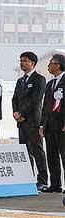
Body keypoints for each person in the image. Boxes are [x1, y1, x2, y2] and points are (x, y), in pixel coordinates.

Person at [11, 51, 48, 191]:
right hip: (21, 122)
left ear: (33, 63)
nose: (22, 63)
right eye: (20, 60)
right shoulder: (20, 80)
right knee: (25, 151)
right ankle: (27, 179)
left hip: (33, 121)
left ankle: (43, 180)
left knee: (37, 150)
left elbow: (36, 100)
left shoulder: (39, 79)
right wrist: (15, 112)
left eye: (25, 60)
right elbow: (14, 98)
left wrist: (22, 113)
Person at [39, 54, 65, 193]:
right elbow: (46, 106)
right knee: (52, 155)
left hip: (62, 126)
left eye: (51, 63)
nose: (49, 66)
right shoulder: (50, 84)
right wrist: (42, 124)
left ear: (58, 65)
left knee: (64, 155)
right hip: (50, 126)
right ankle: (55, 184)